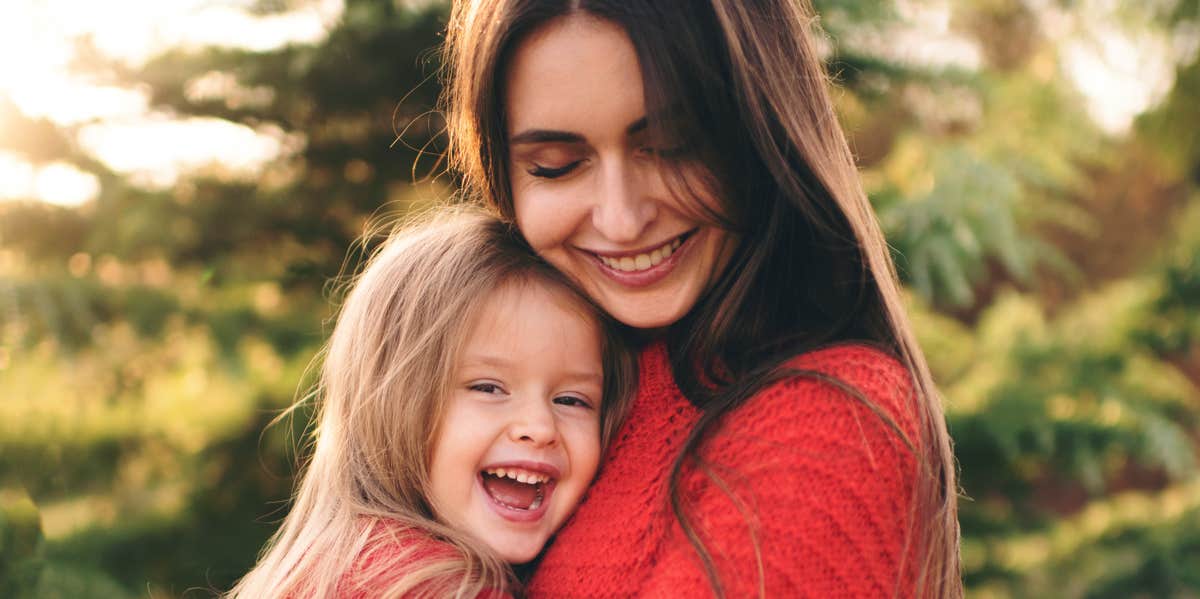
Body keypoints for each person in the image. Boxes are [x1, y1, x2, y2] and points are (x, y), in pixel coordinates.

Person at [441, 1, 963, 597]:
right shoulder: (523, 389)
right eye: (557, 167)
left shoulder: (826, 422)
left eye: (671, 147)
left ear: (762, 131)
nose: (621, 220)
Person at [227, 209, 634, 598]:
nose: (540, 427)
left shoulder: (329, 564)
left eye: (571, 399)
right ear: (389, 400)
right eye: (489, 388)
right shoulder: (441, 588)